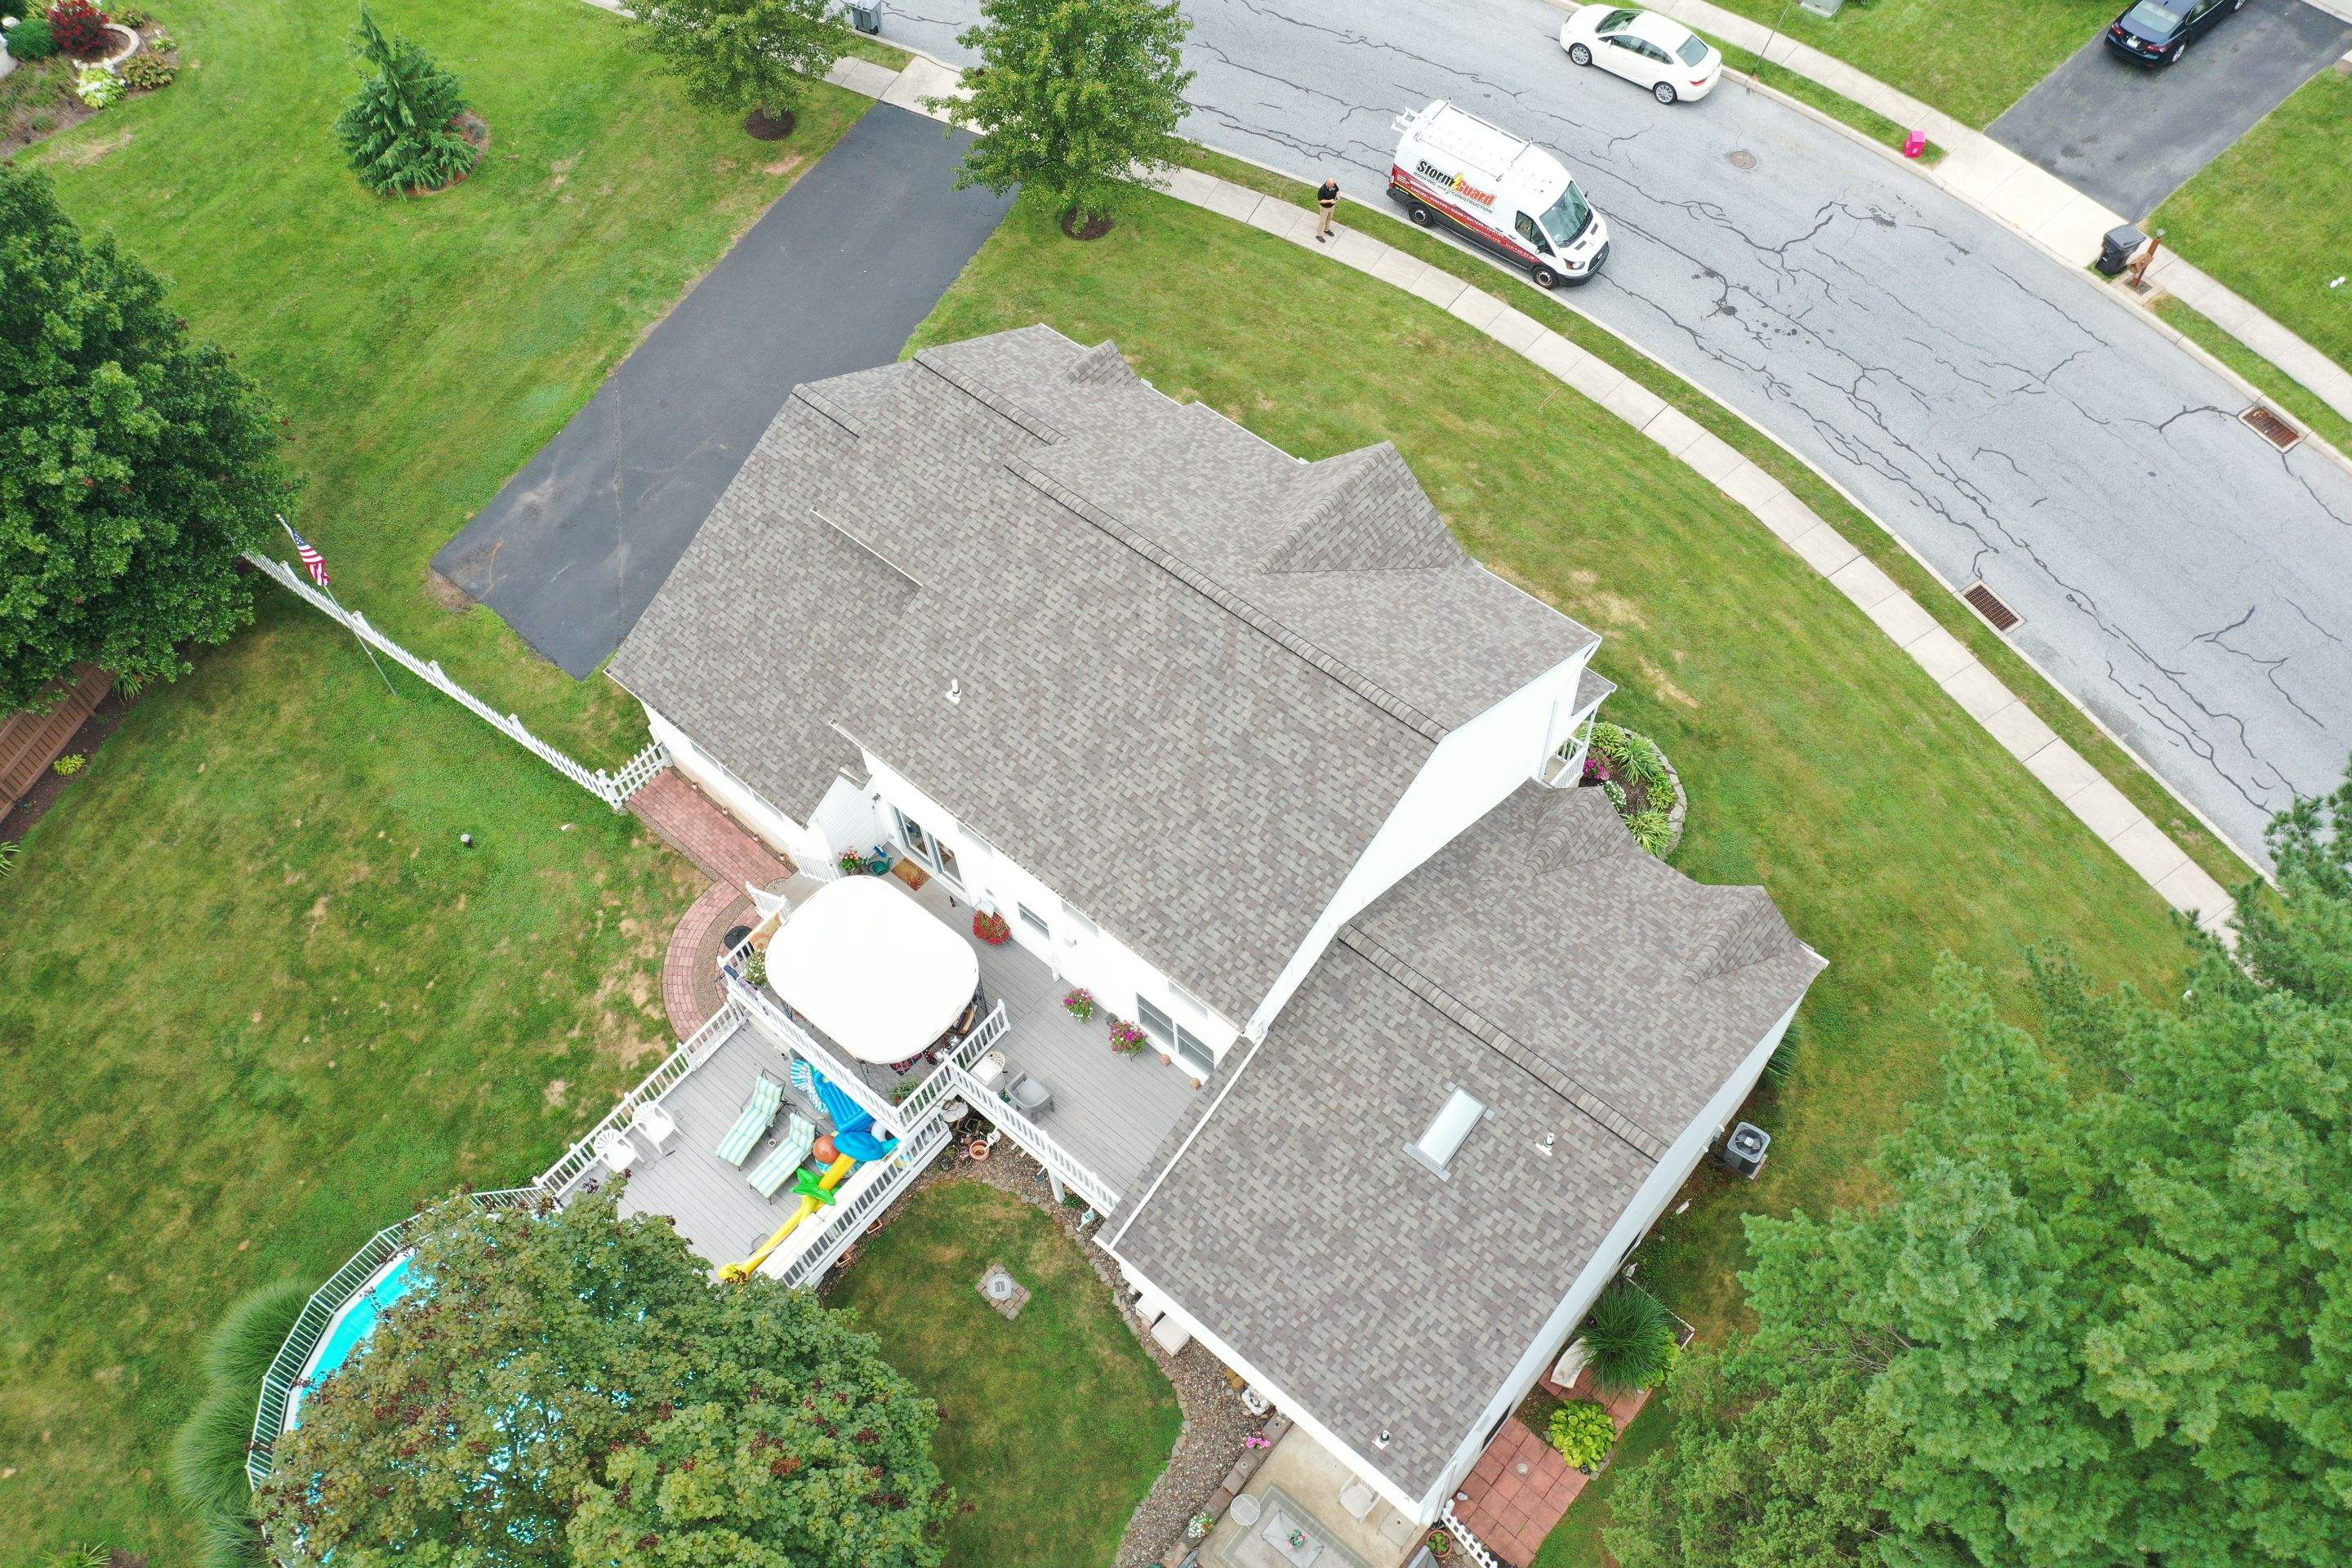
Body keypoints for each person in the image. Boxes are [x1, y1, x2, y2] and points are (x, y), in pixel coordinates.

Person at [1316, 176, 1340, 242]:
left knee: (1329, 218)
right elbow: (1320, 201)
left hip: (1332, 206)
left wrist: (1337, 196)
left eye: (1333, 185)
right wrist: (1330, 201)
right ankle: (1318, 235)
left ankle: (1326, 230)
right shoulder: (1322, 190)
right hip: (1325, 208)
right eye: (1331, 186)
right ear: (1328, 183)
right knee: (1322, 221)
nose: (1333, 187)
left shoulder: (1333, 185)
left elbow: (1337, 190)